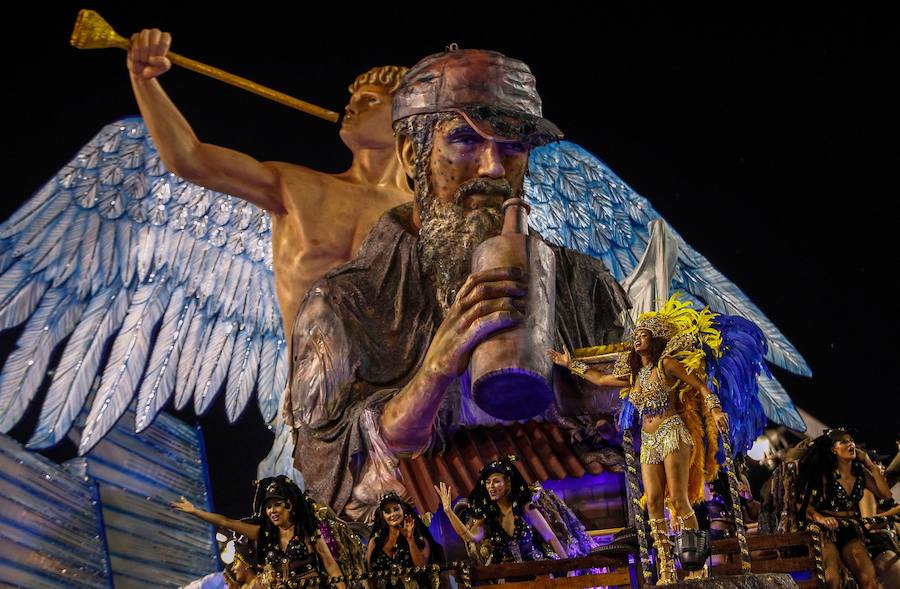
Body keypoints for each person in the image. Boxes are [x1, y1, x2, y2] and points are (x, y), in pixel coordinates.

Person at [283, 46, 630, 521]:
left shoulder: (583, 286)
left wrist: (589, 388)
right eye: (466, 139)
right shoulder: (344, 305)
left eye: (513, 145)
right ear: (412, 154)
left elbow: (643, 425)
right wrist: (435, 371)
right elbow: (327, 473)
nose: (492, 167)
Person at [127, 28, 411, 340]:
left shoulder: (424, 215)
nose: (350, 107)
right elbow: (190, 158)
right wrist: (144, 81)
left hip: (403, 385)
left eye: (370, 100)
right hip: (309, 381)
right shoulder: (297, 187)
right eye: (353, 100)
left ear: (409, 116)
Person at [548, 301, 729, 584]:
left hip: (672, 432)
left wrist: (715, 408)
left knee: (679, 500)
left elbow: (700, 385)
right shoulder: (634, 376)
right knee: (653, 503)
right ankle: (667, 567)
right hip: (649, 440)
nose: (637, 338)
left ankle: (696, 565)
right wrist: (571, 364)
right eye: (636, 334)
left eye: (643, 334)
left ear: (654, 340)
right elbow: (600, 379)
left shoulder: (666, 364)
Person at [172, 476, 346, 588]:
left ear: (289, 505)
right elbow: (226, 521)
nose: (272, 511)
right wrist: (195, 512)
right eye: (269, 507)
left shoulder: (307, 531)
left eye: (277, 504)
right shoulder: (264, 534)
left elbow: (330, 566)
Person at [797, 428, 893, 589]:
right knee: (832, 580)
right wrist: (821, 519)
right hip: (826, 532)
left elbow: (886, 495)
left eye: (851, 441)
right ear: (833, 449)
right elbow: (802, 506)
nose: (851, 444)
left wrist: (870, 464)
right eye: (844, 441)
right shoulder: (824, 474)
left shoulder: (860, 473)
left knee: (870, 582)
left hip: (849, 530)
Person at [434, 457, 568, 565]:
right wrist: (448, 512)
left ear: (507, 484)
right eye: (487, 482)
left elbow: (551, 538)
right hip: (508, 580)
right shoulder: (488, 517)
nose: (491, 486)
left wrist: (569, 568)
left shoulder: (525, 508)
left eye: (496, 481)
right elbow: (469, 537)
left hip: (536, 574)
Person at [367, 493, 443, 589]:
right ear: (382, 516)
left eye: (396, 509)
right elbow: (370, 577)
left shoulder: (419, 539)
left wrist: (410, 539)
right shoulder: (375, 542)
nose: (393, 514)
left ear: (403, 510)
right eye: (387, 511)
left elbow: (422, 568)